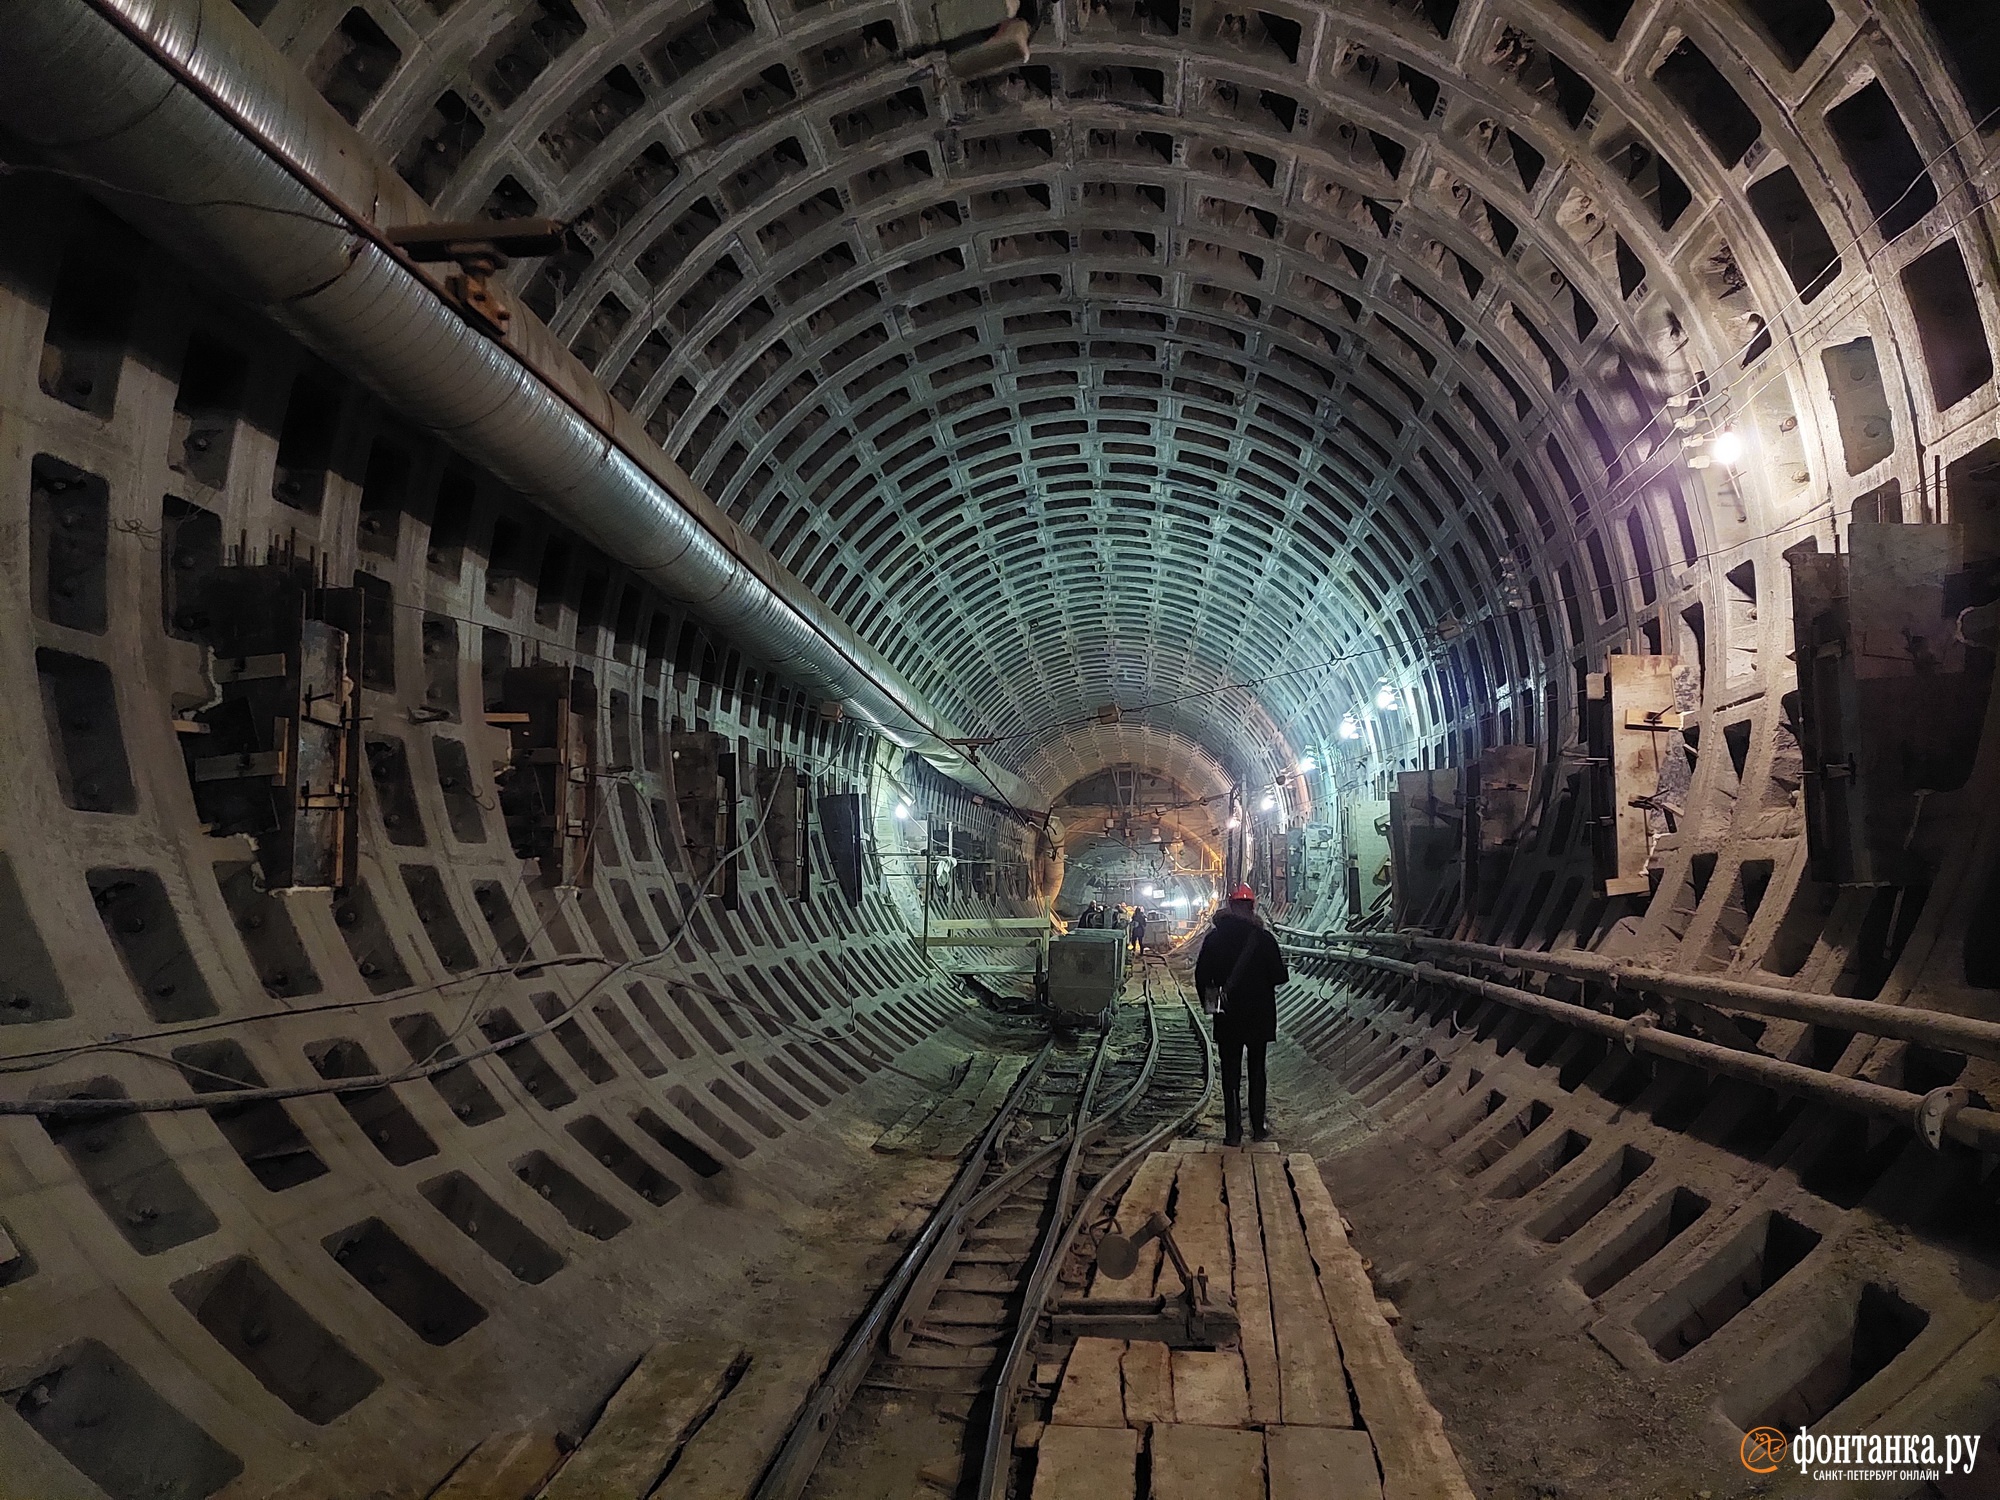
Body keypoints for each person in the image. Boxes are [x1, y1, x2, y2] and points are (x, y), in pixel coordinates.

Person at [1194, 884, 1289, 1147]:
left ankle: (1233, 1131)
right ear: (1253, 907)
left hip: (1228, 1014)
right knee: (1257, 1070)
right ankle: (1258, 1127)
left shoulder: (1214, 938)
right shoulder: (1264, 938)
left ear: (1229, 905)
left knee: (1230, 1071)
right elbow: (1279, 976)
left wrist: (1211, 1003)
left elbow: (1202, 976)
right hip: (1259, 1014)